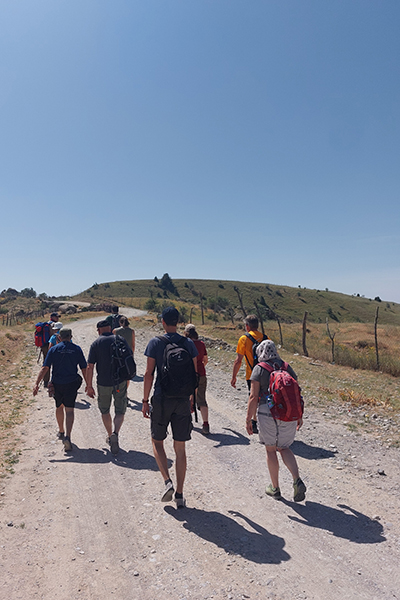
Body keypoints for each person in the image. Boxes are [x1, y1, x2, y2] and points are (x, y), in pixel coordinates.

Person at [142, 307, 198, 508]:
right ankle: (180, 494)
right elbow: (195, 373)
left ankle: (167, 481)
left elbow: (149, 374)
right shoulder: (188, 343)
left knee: (157, 441)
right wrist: (192, 398)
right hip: (183, 399)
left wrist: (145, 400)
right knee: (180, 447)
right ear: (178, 321)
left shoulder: (155, 342)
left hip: (161, 397)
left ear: (163, 322)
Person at [246, 339, 306, 502]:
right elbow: (295, 394)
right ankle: (297, 480)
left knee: (271, 450)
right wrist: (299, 415)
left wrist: (249, 419)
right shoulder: (286, 367)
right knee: (285, 448)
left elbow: (253, 397)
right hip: (288, 413)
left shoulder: (259, 369)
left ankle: (275, 488)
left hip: (267, 412)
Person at [32, 328, 88, 452]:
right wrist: (89, 385)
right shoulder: (76, 349)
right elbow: (84, 368)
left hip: (57, 383)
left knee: (59, 407)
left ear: (59, 338)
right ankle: (68, 436)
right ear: (71, 336)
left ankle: (61, 431)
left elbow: (45, 367)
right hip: (71, 383)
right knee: (69, 410)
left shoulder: (53, 349)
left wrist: (37, 384)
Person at [86, 319, 132, 455]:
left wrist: (89, 386)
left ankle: (110, 434)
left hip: (103, 382)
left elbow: (90, 366)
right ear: (111, 328)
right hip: (120, 381)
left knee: (105, 410)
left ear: (99, 330)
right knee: (120, 409)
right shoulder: (120, 339)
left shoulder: (96, 343)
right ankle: (116, 433)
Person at [231, 314, 269, 433]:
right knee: (266, 397)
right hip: (266, 373)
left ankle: (255, 422)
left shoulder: (244, 339)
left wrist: (234, 377)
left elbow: (238, 360)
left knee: (253, 397)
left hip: (252, 374)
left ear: (247, 326)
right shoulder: (266, 338)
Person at [184, 324, 210, 434]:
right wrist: (201, 366)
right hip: (201, 374)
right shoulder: (201, 344)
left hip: (188, 374)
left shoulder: (185, 344)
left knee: (186, 397)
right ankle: (205, 424)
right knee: (201, 399)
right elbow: (205, 359)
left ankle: (188, 421)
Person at [113, 316, 135, 390]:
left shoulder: (115, 331)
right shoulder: (132, 331)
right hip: (128, 354)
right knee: (127, 373)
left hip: (118, 354)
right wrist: (132, 354)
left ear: (120, 322)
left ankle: (117, 389)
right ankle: (125, 391)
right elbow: (133, 344)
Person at [41, 312, 61, 388]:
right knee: (54, 363)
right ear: (52, 317)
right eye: (56, 317)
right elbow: (54, 336)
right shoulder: (53, 325)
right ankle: (54, 381)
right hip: (50, 346)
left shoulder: (47, 324)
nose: (58, 318)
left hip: (44, 346)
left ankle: (46, 381)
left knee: (46, 363)